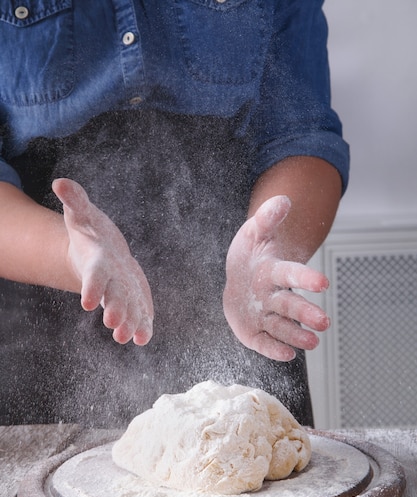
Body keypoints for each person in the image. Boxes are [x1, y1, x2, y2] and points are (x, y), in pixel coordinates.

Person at [0, 1, 349, 427]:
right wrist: (68, 253)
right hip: (36, 285)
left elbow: (302, 135)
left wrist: (272, 244)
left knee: (257, 475)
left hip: (232, 291)